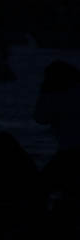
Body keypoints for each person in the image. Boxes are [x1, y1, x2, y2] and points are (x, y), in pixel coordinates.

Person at [34, 60, 80, 227]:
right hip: (69, 151)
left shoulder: (55, 95)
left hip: (70, 152)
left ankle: (44, 223)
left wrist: (44, 92)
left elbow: (40, 117)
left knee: (41, 188)